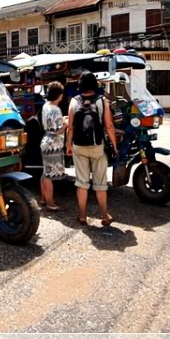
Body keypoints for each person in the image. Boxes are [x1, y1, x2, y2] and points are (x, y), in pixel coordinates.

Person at [67, 71, 118, 226]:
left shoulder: (74, 101)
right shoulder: (102, 101)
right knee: (100, 182)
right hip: (97, 146)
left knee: (81, 182)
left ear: (80, 84)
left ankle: (83, 216)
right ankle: (104, 215)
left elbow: (71, 127)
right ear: (95, 84)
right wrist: (115, 146)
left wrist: (68, 145)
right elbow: (109, 126)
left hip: (78, 146)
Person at [40, 81, 67, 211]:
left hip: (46, 140)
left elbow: (52, 123)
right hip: (53, 144)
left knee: (45, 173)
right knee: (49, 175)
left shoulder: (46, 105)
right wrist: (67, 124)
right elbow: (58, 130)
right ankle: (50, 203)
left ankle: (44, 199)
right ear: (60, 95)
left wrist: (63, 120)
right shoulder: (56, 109)